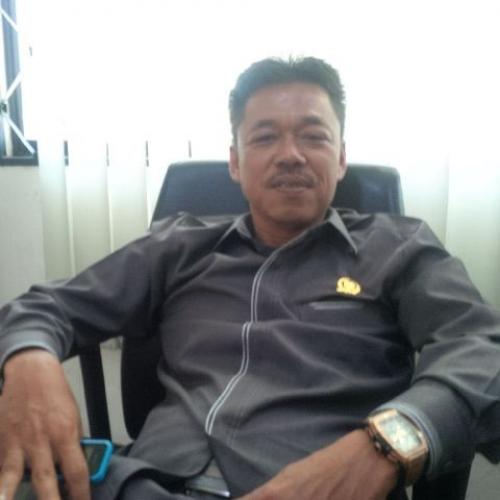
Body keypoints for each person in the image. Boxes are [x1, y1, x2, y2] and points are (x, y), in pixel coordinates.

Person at [0, 56, 500, 500]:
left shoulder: (397, 247)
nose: (290, 154)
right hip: (146, 482)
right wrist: (30, 362)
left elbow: (482, 348)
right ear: (236, 162)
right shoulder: (179, 245)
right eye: (265, 137)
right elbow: (45, 307)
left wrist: (388, 443)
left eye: (313, 136)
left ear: (341, 158)